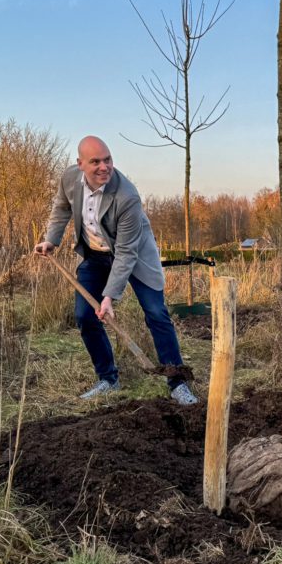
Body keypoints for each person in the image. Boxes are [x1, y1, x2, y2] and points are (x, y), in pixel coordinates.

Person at [34, 135, 199, 404]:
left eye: (108, 160)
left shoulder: (127, 196)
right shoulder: (69, 179)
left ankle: (177, 382)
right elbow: (61, 207)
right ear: (80, 164)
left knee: (156, 313)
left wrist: (110, 297)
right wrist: (52, 239)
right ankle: (108, 378)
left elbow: (126, 253)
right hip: (95, 255)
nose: (104, 167)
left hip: (134, 256)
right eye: (95, 161)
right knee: (85, 316)